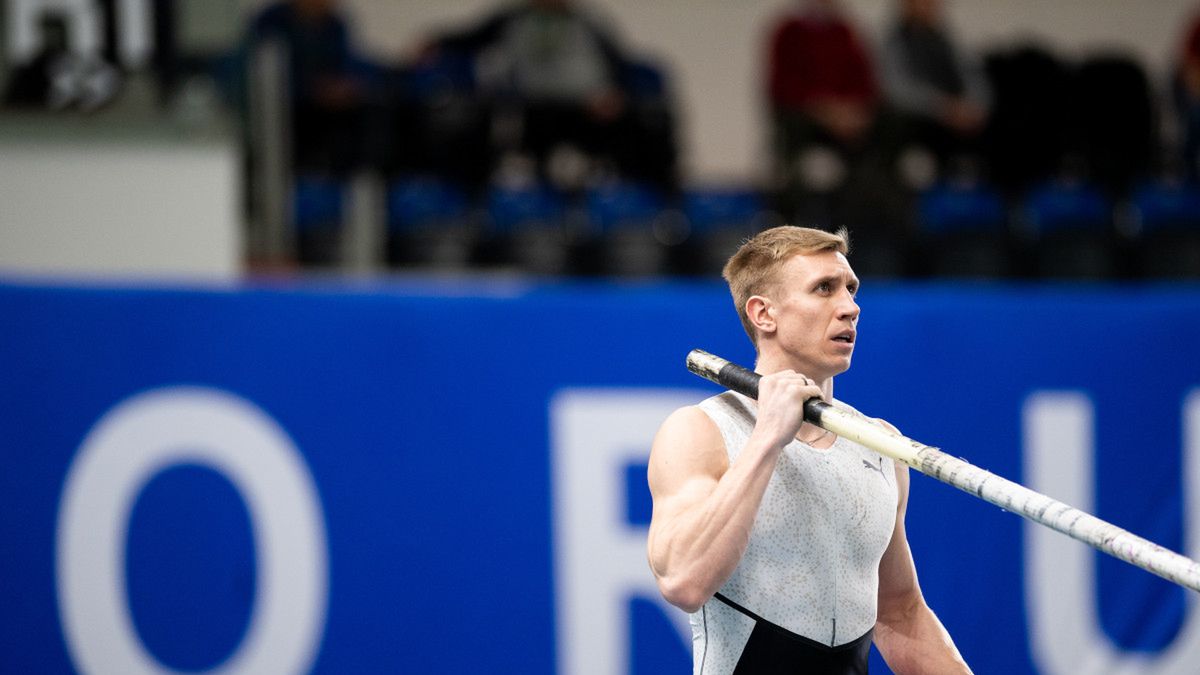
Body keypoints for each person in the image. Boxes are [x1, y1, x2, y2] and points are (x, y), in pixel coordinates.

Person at [647, 226, 970, 673]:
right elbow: (682, 581)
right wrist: (768, 439)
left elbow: (901, 616)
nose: (851, 307)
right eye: (824, 289)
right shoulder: (700, 431)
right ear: (764, 314)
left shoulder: (878, 444)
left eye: (851, 289)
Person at [879, 0, 989, 174]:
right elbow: (897, 91)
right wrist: (943, 107)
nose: (928, 7)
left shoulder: (946, 39)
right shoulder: (895, 41)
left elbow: (972, 75)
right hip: (924, 117)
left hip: (961, 112)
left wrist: (975, 106)